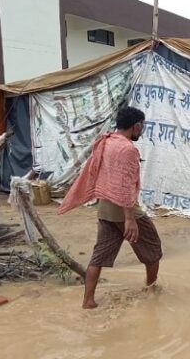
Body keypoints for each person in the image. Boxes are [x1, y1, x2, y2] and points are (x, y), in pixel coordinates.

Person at [57, 107, 162, 309]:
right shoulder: (128, 149)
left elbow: (95, 172)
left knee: (98, 257)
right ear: (136, 126)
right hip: (126, 211)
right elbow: (126, 185)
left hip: (105, 209)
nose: (141, 131)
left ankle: (88, 301)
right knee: (153, 249)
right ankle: (151, 289)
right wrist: (129, 219)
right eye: (142, 127)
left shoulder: (106, 141)